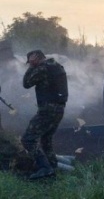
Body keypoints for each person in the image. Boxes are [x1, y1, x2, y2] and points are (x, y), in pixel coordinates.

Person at [21, 50, 68, 180]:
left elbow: (26, 84)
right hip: (59, 108)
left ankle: (45, 167)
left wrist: (31, 67)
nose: (30, 63)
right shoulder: (56, 66)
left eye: (31, 60)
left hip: (47, 109)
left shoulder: (42, 69)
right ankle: (52, 168)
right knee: (46, 140)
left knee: (28, 139)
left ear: (36, 58)